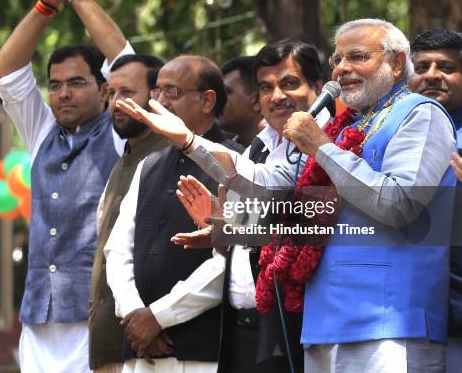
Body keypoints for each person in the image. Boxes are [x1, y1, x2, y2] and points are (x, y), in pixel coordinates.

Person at [117, 18, 457, 372]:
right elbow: (280, 195)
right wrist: (190, 144)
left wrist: (321, 147)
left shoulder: (421, 115)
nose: (342, 68)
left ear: (397, 62)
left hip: (390, 320)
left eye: (357, 56)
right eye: (337, 59)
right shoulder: (346, 130)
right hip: (323, 321)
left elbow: (399, 204)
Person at [0, 0, 135, 372]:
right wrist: (45, 4)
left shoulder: (120, 131)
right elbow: (7, 68)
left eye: (77, 83)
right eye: (55, 85)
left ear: (103, 88)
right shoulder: (41, 132)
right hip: (39, 321)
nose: (63, 94)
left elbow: (127, 63)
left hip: (100, 315)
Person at [184, 39, 328, 372]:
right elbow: (248, 231)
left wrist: (186, 140)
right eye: (267, 87)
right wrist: (219, 229)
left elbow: (304, 226)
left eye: (289, 84)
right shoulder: (258, 148)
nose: (277, 96)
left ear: (318, 87)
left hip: (298, 321)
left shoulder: (331, 143)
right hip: (243, 324)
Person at [104, 55, 244, 373]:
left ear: (207, 100)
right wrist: (136, 315)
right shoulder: (148, 165)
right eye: (157, 92)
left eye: (173, 92)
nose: (161, 101)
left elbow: (233, 259)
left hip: (202, 352)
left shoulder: (237, 162)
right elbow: (117, 251)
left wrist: (159, 316)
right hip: (142, 350)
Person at [89, 53, 170, 373]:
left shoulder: (167, 157)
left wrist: (154, 321)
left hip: (151, 345)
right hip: (110, 343)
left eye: (127, 93)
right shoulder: (123, 162)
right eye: (111, 93)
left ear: (156, 96)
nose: (116, 102)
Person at [409, 28, 462, 372]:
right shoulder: (389, 128)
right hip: (406, 314)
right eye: (422, 66)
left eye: (445, 66)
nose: (431, 75)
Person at [218, 57, 266, 147]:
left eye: (226, 92)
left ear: (257, 101)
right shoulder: (224, 151)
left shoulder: (289, 151)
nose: (217, 99)